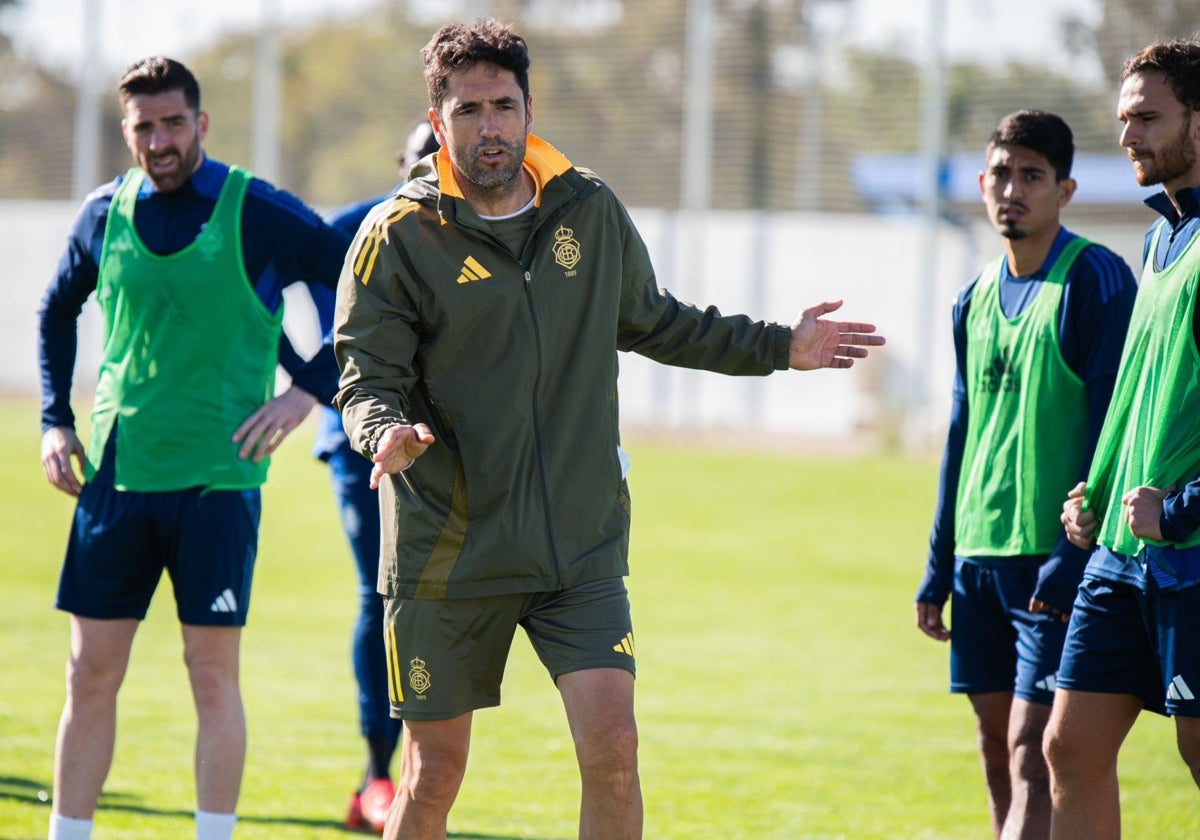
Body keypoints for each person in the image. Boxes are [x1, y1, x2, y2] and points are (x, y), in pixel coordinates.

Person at [332, 19, 885, 840]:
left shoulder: (586, 209)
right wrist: (383, 432)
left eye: (505, 106)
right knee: (435, 773)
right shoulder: (397, 236)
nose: (491, 127)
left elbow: (659, 321)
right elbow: (362, 377)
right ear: (438, 117)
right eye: (471, 109)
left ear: (529, 107)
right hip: (450, 550)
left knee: (614, 750)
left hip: (578, 546)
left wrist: (781, 347)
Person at [37, 56, 350, 840]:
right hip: (116, 477)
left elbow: (365, 291)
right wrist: (54, 418)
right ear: (127, 131)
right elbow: (54, 311)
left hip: (218, 482)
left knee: (210, 676)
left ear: (201, 123)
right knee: (88, 674)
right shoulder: (102, 212)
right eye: (144, 126)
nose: (161, 139)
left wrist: (308, 387)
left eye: (174, 122)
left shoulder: (258, 212)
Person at [914, 109, 1138, 839]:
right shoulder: (971, 298)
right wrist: (939, 562)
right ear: (982, 182)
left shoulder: (1095, 281)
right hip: (981, 558)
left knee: (1033, 752)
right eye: (1002, 174)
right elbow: (960, 431)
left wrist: (1075, 556)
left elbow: (1113, 427)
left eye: (1032, 176)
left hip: (1054, 562)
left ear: (1065, 189)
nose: (1013, 189)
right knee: (994, 747)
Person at [1049, 38, 1200, 840]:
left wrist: (1179, 509)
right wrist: (1097, 491)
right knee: (1069, 745)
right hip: (1119, 554)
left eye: (1148, 117)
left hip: (1189, 551)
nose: (1128, 136)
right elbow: (1141, 394)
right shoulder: (1157, 239)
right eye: (1123, 119)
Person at [301, 117, 440, 834]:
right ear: (400, 160)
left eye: (441, 158)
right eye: (424, 155)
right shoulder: (354, 228)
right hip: (358, 443)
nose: (434, 168)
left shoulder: (475, 231)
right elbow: (262, 279)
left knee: (431, 605)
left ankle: (420, 775)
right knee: (380, 595)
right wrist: (305, 379)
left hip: (439, 448)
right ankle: (377, 777)